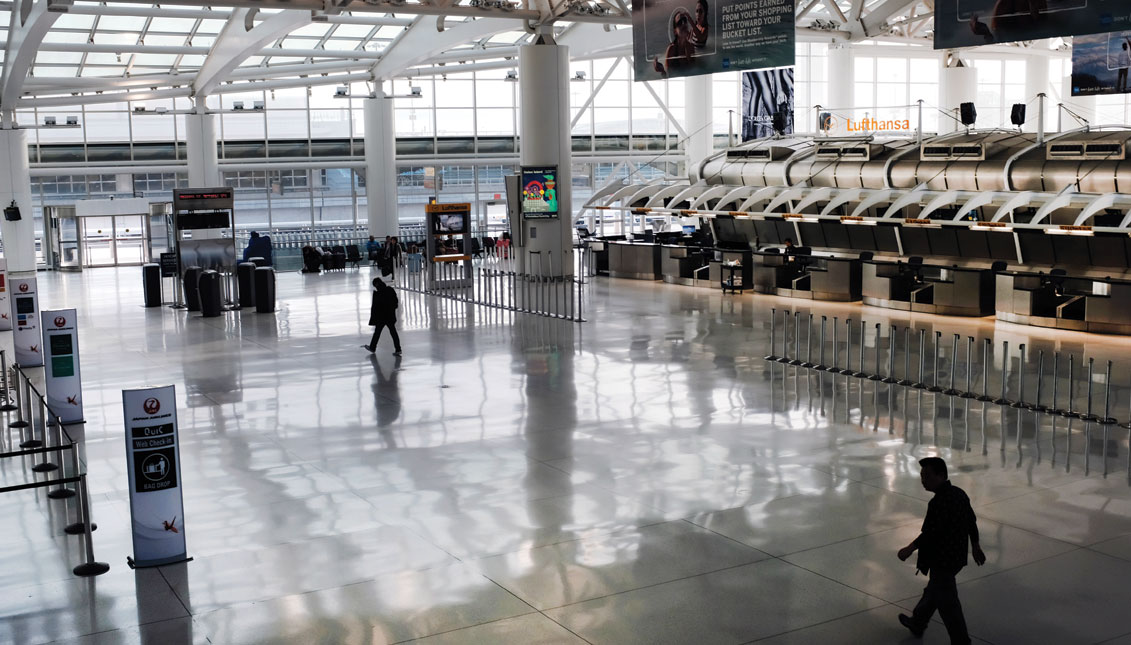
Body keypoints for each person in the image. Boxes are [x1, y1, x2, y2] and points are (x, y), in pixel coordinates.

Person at [897, 457, 986, 644]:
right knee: (934, 591)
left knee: (948, 604)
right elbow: (971, 521)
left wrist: (909, 549)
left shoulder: (938, 503)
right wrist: (975, 546)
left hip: (941, 559)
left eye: (927, 477)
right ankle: (918, 621)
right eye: (922, 477)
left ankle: (961, 640)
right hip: (956, 557)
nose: (923, 481)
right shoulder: (959, 494)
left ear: (942, 475)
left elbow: (930, 534)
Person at [362, 278, 401, 355]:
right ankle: (398, 349)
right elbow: (395, 302)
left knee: (377, 333)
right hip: (390, 316)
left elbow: (375, 308)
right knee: (393, 333)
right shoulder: (390, 290)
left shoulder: (378, 294)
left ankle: (372, 347)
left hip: (381, 317)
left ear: (376, 285)